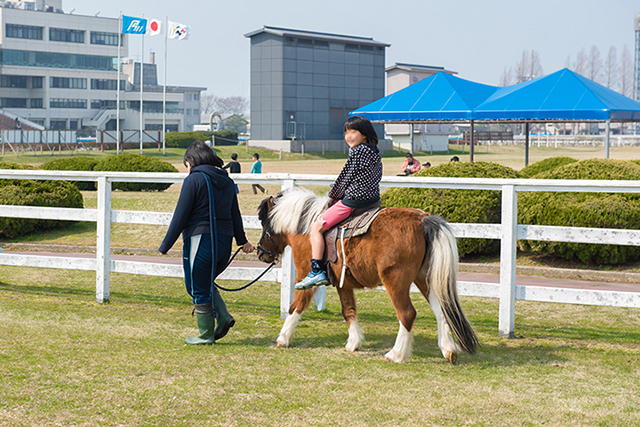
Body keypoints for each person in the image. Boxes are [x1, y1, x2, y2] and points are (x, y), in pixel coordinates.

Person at [159, 141, 254, 345]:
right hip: (224, 243)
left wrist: (165, 245)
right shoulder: (227, 181)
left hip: (200, 240)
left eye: (186, 164)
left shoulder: (193, 180)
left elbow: (180, 216)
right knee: (204, 282)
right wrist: (242, 241)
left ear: (191, 161)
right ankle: (223, 317)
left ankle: (205, 334)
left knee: (197, 287)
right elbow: (234, 214)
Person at [295, 115, 382, 290]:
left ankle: (316, 270)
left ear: (364, 134)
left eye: (353, 132)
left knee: (316, 228)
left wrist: (333, 195)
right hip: (373, 201)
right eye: (346, 132)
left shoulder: (358, 152)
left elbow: (344, 179)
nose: (348, 136)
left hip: (354, 202)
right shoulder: (375, 151)